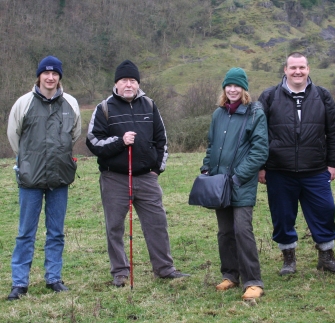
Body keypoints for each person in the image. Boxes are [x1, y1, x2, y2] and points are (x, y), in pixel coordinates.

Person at [86, 60, 189, 287]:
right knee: (115, 227)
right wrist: (120, 142)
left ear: (138, 83)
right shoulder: (104, 108)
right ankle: (120, 273)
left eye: (132, 80)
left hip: (146, 177)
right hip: (114, 178)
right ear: (116, 83)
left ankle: (164, 269)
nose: (129, 84)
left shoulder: (150, 106)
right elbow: (93, 142)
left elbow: (162, 140)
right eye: (124, 80)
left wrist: (156, 170)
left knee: (157, 223)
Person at [258, 52, 335, 276]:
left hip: (316, 169)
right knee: (282, 217)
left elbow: (334, 132)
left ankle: (327, 258)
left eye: (301, 67)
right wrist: (261, 166)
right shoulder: (269, 96)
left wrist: (333, 163)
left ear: (308, 69)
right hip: (279, 170)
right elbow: (257, 134)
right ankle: (288, 259)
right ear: (285, 70)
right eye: (293, 68)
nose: (297, 72)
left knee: (325, 212)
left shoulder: (323, 95)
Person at [6, 56, 81, 300]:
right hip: (30, 178)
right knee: (25, 232)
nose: (50, 78)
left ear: (60, 77)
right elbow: (14, 136)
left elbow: (75, 133)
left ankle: (53, 278)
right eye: (46, 73)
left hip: (60, 177)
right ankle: (19, 283)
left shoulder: (71, 103)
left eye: (55, 74)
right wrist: (28, 161)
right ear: (39, 76)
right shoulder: (23, 103)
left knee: (56, 232)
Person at [200, 68, 268, 301]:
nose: (232, 89)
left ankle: (253, 281)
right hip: (219, 183)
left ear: (244, 88)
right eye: (228, 86)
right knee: (225, 232)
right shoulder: (218, 115)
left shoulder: (254, 113)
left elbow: (260, 150)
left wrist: (239, 176)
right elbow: (211, 146)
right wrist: (207, 169)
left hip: (242, 182)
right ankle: (230, 275)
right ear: (224, 89)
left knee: (242, 230)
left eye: (237, 86)